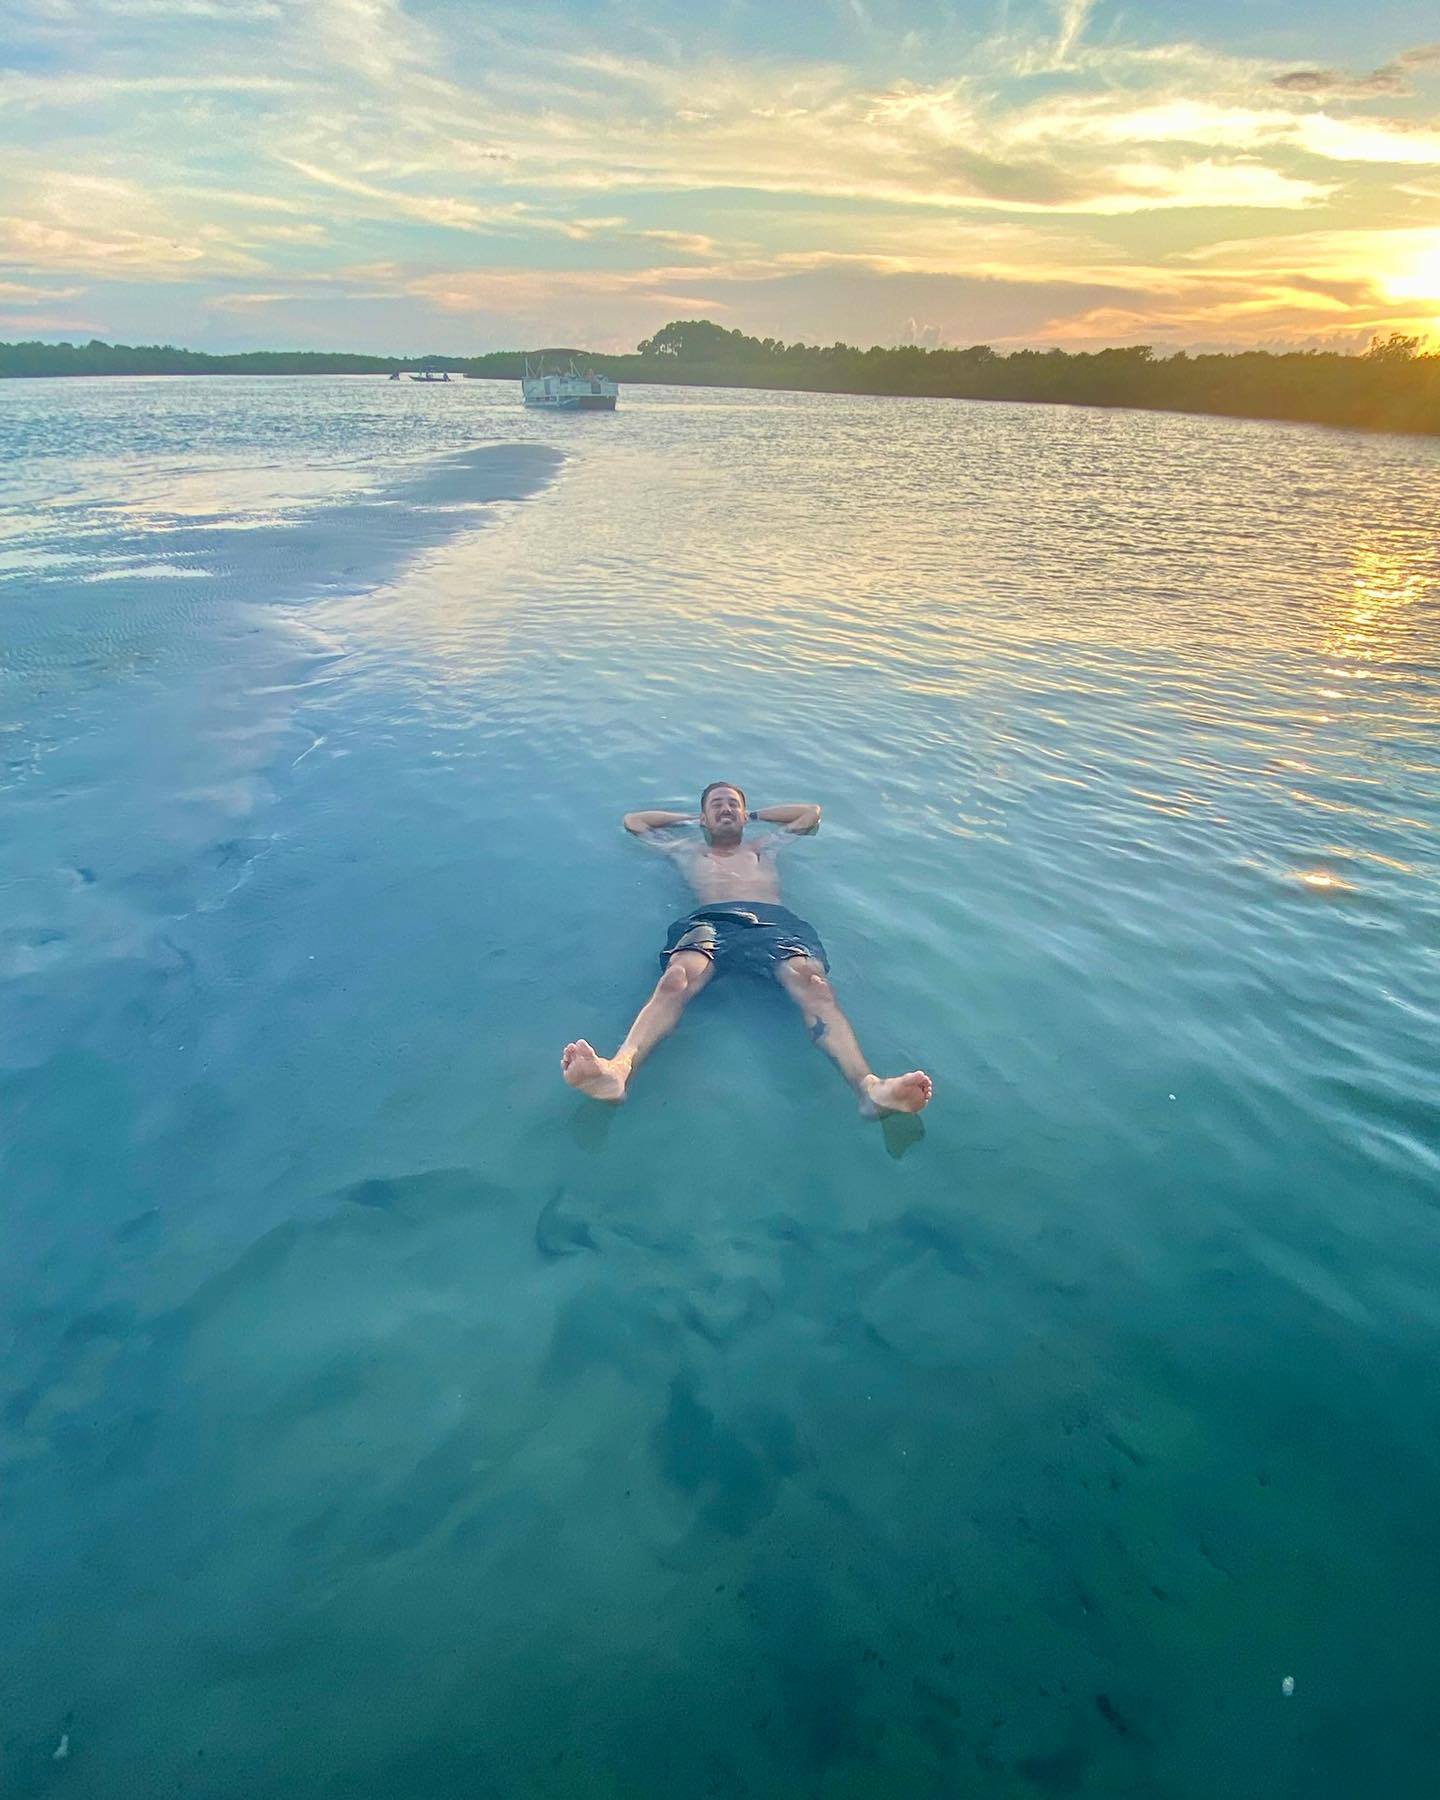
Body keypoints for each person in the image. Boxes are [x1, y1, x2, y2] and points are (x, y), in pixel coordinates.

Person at [560, 782, 933, 1116]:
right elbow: (635, 821)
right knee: (675, 979)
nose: (726, 809)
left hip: (773, 923)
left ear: (744, 815)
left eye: (734, 805)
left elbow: (810, 813)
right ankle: (618, 1070)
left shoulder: (763, 847)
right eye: (717, 805)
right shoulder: (688, 851)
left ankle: (868, 1088)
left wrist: (753, 815)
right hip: (711, 920)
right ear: (704, 818)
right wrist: (693, 818)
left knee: (814, 985)